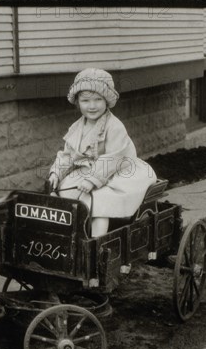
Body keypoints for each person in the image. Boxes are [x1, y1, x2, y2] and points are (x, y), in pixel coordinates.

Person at [48, 68, 157, 237]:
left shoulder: (115, 126)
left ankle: (96, 245)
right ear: (78, 102)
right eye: (85, 100)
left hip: (119, 171)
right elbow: (68, 155)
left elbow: (113, 158)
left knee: (99, 202)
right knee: (65, 193)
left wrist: (92, 180)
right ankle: (74, 237)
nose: (92, 106)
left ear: (107, 100)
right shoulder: (77, 127)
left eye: (98, 99)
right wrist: (57, 172)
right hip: (91, 171)